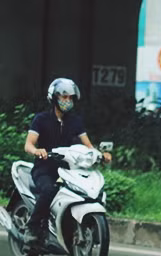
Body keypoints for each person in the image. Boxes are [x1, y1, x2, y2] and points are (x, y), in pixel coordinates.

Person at [22, 78, 112, 245]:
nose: (67, 101)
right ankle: (32, 227)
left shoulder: (75, 121)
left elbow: (88, 146)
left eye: (70, 98)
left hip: (67, 171)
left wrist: (100, 155)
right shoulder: (41, 119)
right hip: (44, 169)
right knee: (49, 190)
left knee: (80, 192)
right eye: (64, 97)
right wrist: (37, 151)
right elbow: (28, 144)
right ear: (54, 98)